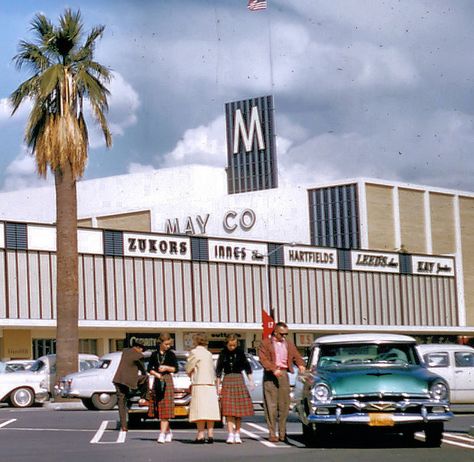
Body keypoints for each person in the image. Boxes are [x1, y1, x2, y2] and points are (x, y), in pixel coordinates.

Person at [258, 322, 305, 443]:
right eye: (282, 334)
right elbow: (263, 359)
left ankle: (283, 432)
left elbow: (296, 356)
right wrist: (273, 369)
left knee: (284, 405)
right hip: (270, 375)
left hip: (283, 374)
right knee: (271, 405)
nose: (284, 336)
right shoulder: (266, 343)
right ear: (275, 332)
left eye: (286, 334)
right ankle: (272, 432)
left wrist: (300, 365)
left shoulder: (288, 344)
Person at [216, 334, 255, 444]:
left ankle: (237, 434)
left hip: (238, 379)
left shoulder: (240, 352)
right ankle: (230, 434)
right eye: (230, 345)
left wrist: (251, 381)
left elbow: (247, 367)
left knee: (238, 411)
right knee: (228, 411)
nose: (232, 347)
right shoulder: (223, 353)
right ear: (226, 344)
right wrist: (218, 386)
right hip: (228, 380)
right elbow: (218, 370)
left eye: (234, 345)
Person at [185, 333, 220, 444]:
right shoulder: (209, 354)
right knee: (210, 410)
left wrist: (189, 372)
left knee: (199, 410)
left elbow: (189, 367)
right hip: (210, 383)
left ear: (195, 341)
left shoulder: (194, 352)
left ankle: (200, 434)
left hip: (199, 383)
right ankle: (210, 434)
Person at [146, 333, 178, 444]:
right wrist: (157, 374)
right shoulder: (154, 354)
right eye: (166, 344)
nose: (168, 346)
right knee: (160, 408)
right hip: (157, 380)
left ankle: (162, 434)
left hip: (167, 381)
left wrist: (166, 368)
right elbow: (149, 368)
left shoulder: (171, 354)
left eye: (169, 344)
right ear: (160, 343)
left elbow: (176, 369)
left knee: (165, 409)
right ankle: (168, 432)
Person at [112, 339, 147, 432]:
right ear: (139, 348)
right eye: (142, 349)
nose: (142, 351)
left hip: (118, 379)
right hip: (128, 381)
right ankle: (144, 396)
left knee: (121, 403)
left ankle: (124, 426)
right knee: (145, 378)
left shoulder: (125, 351)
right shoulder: (139, 356)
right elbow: (143, 370)